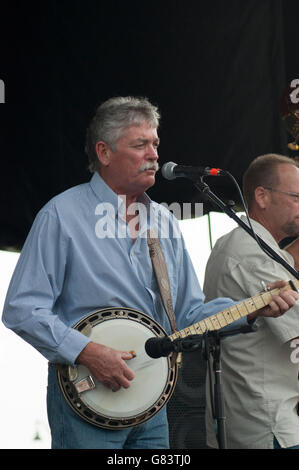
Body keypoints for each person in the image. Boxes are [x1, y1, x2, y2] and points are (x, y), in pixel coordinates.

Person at [2, 99, 297, 450]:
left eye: (155, 144)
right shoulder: (61, 216)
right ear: (104, 152)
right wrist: (87, 352)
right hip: (85, 398)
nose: (154, 154)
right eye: (140, 144)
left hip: (151, 402)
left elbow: (188, 315)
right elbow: (22, 308)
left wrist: (252, 308)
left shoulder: (163, 222)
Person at [203, 153, 299, 449]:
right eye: (296, 197)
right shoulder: (250, 251)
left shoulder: (256, 246)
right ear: (262, 196)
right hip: (266, 422)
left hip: (265, 416)